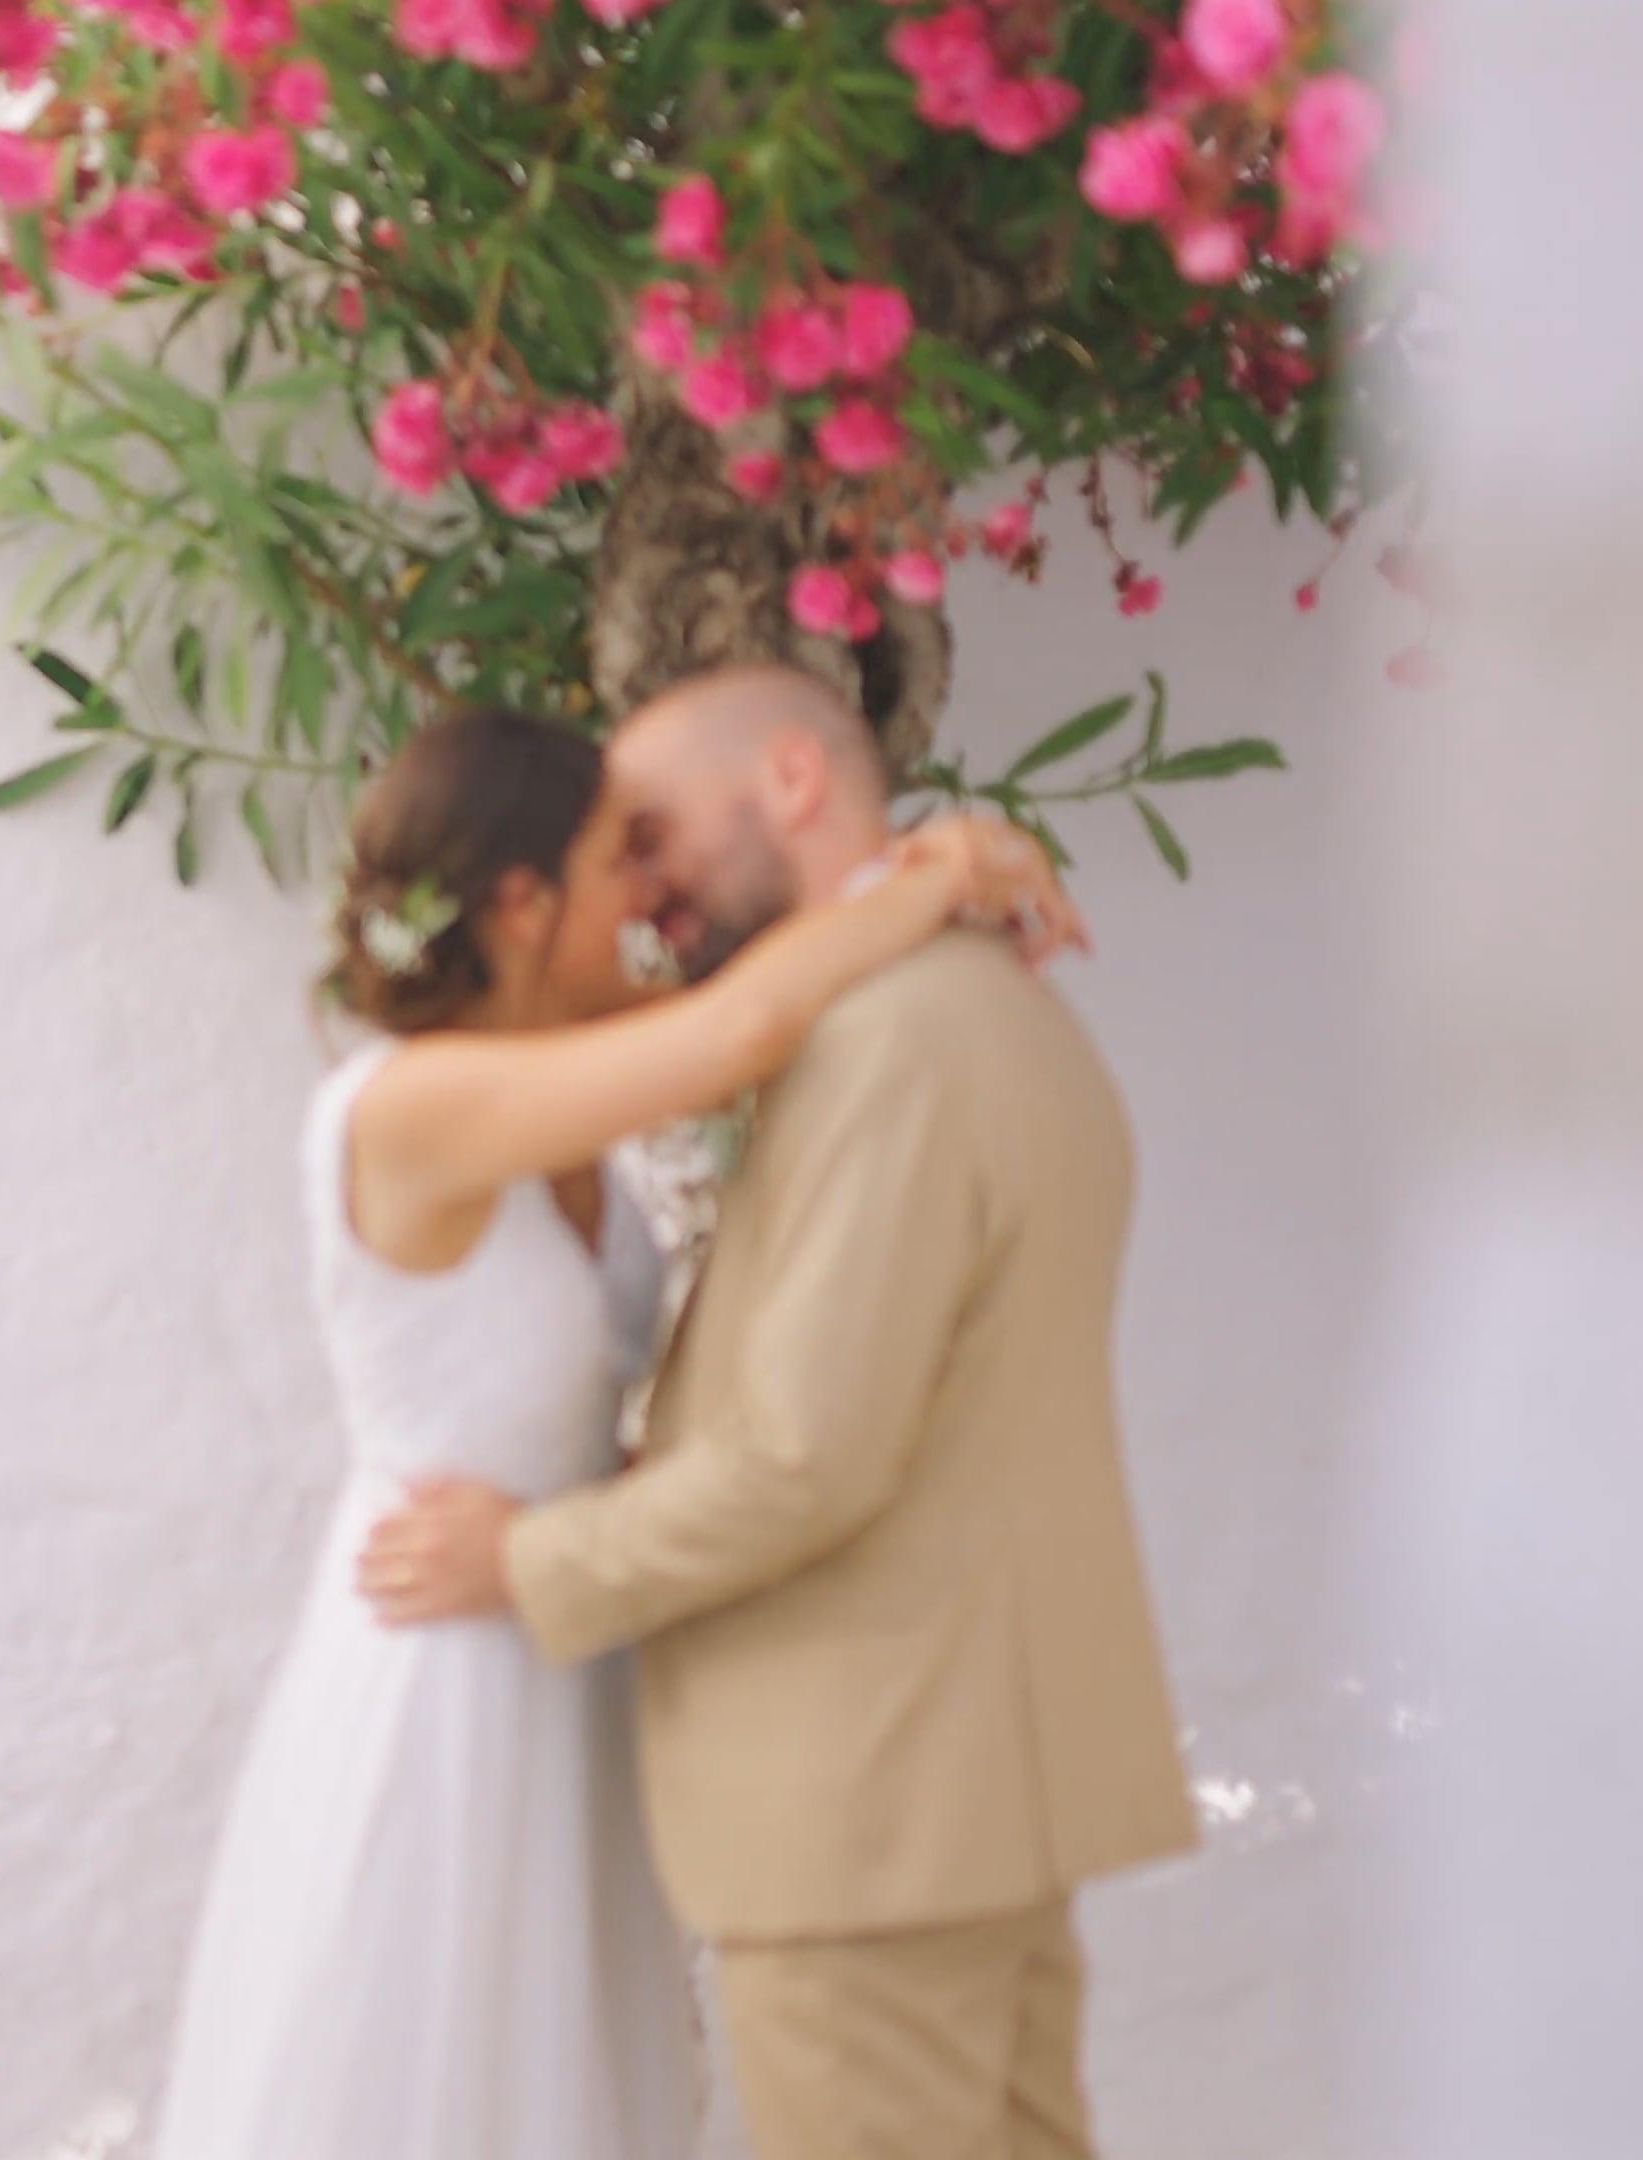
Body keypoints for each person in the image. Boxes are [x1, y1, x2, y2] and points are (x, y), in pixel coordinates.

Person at [153, 697, 1089, 2159]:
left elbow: (785, 997)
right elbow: (754, 1021)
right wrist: (933, 871)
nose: (650, 893)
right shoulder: (411, 1107)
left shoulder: (575, 1056)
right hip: (446, 1656)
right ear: (524, 903)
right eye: (618, 860)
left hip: (566, 1636)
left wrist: (936, 862)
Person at [356, 665, 1199, 2160]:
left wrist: (528, 1563)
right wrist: (949, 863)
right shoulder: (970, 1003)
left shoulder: (893, 1043)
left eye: (659, 831)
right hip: (955, 1787)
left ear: (794, 782)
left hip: (870, 1805)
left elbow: (807, 1451)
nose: (649, 885)